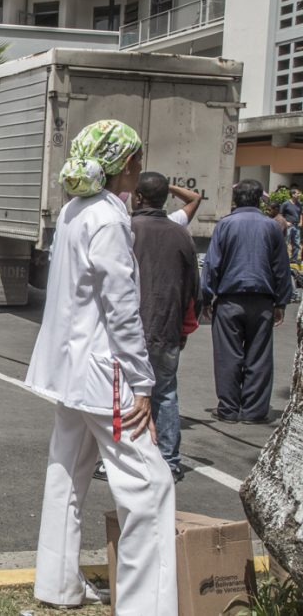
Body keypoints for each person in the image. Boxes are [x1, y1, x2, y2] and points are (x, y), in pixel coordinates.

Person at [26, 120, 175, 613]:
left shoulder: (75, 209)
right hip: (104, 372)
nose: (140, 165)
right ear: (124, 164)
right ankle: (146, 606)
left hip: (70, 371)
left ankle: (57, 585)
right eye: (137, 157)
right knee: (150, 486)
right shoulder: (109, 217)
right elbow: (121, 308)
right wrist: (142, 382)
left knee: (66, 474)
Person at [201, 179, 293, 424]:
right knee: (259, 357)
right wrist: (281, 303)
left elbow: (212, 265)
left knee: (227, 356)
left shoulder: (225, 225)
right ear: (259, 201)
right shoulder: (271, 227)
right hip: (262, 302)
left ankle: (229, 409)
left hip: (229, 301)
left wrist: (206, 297)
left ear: (235, 200)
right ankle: (253, 411)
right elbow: (281, 268)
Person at [128, 172, 200, 482]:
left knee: (126, 394)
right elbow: (193, 287)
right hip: (168, 326)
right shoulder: (180, 233)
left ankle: (127, 457)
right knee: (166, 392)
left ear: (138, 197)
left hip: (130, 328)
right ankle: (169, 460)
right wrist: (184, 326)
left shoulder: (126, 229)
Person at [282, 187, 302, 264]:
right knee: (286, 242)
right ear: (293, 194)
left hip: (297, 226)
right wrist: (286, 222)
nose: (299, 195)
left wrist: (301, 222)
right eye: (298, 193)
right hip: (288, 226)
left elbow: (301, 214)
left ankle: (294, 259)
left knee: (296, 243)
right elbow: (280, 214)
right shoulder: (286, 204)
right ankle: (284, 258)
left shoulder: (299, 204)